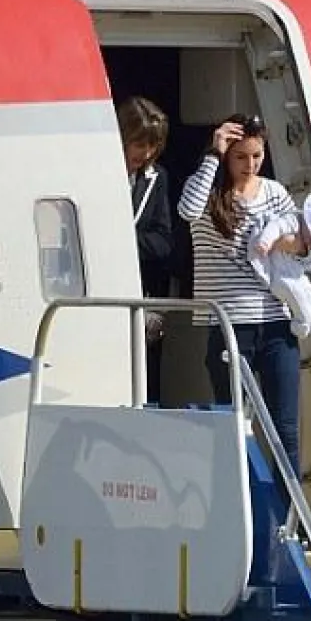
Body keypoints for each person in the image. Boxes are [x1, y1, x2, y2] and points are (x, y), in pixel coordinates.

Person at [177, 113, 305, 480]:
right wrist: (212, 155)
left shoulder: (274, 193)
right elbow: (187, 211)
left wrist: (284, 242)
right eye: (241, 157)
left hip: (276, 322)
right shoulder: (206, 190)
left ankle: (288, 508)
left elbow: (302, 243)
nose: (250, 165)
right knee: (232, 423)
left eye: (257, 156)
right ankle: (237, 502)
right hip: (229, 324)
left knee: (285, 427)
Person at [117, 96, 173, 405]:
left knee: (144, 378)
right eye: (140, 144)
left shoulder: (157, 178)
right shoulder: (95, 172)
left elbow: (164, 242)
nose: (147, 153)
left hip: (143, 292)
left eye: (154, 145)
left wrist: (122, 239)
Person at [249, 193, 311, 339]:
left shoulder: (308, 238)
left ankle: (301, 322)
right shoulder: (292, 220)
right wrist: (265, 242)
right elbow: (275, 227)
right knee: (295, 292)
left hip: (295, 275)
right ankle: (309, 320)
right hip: (280, 277)